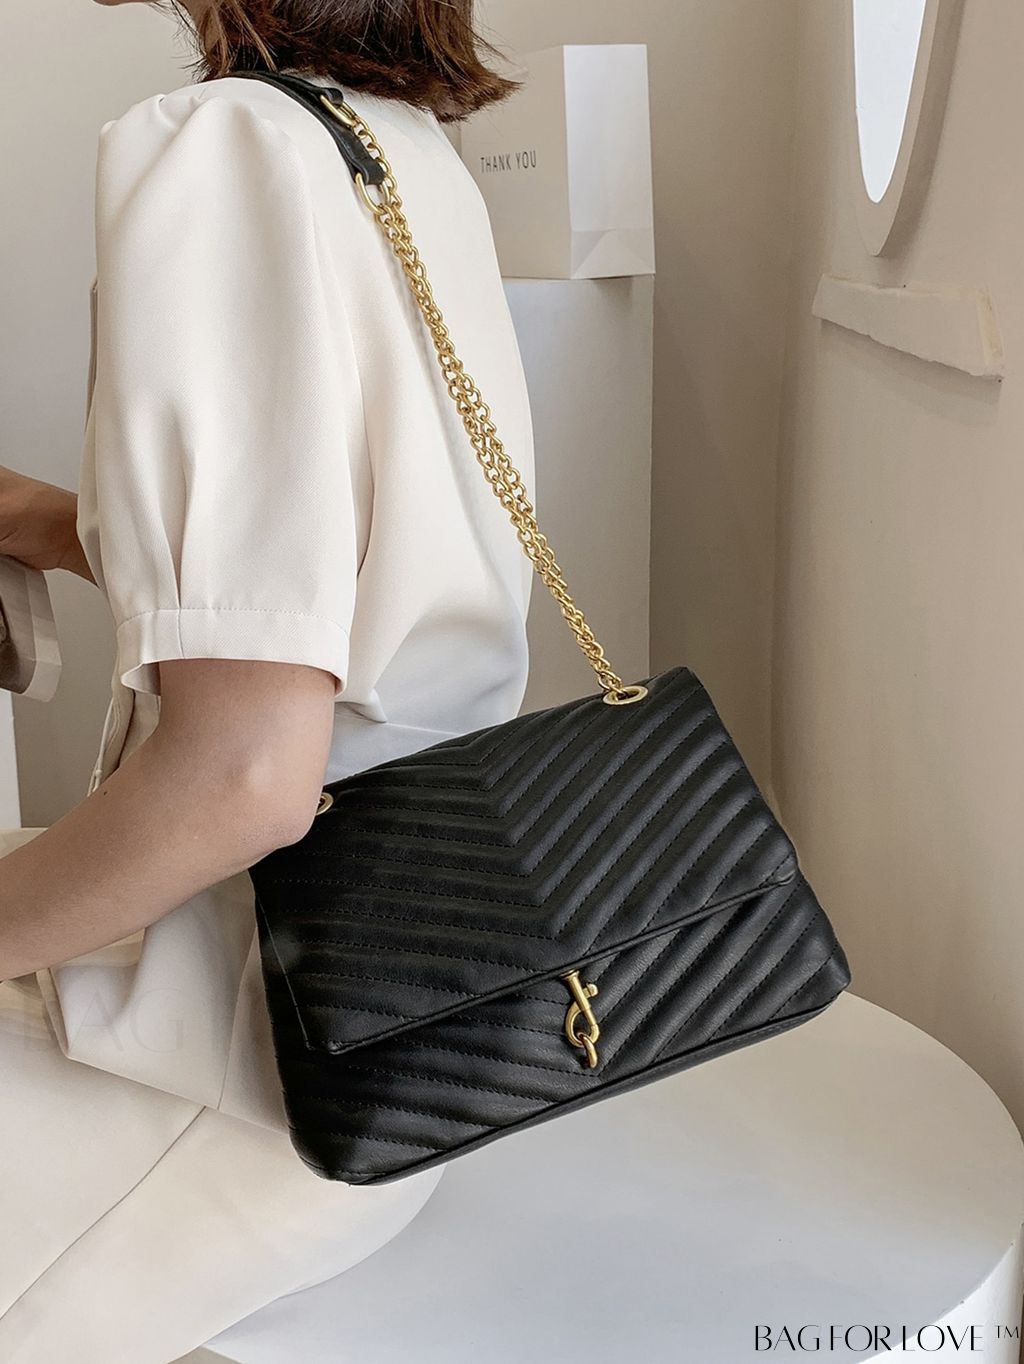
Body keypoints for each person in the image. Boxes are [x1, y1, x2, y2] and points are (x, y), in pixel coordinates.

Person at [0, 2, 534, 1358]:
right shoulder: (383, 143)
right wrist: (55, 522)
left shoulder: (223, 146)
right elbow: (343, 576)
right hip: (394, 1019)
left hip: (228, 1065)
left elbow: (244, 783)